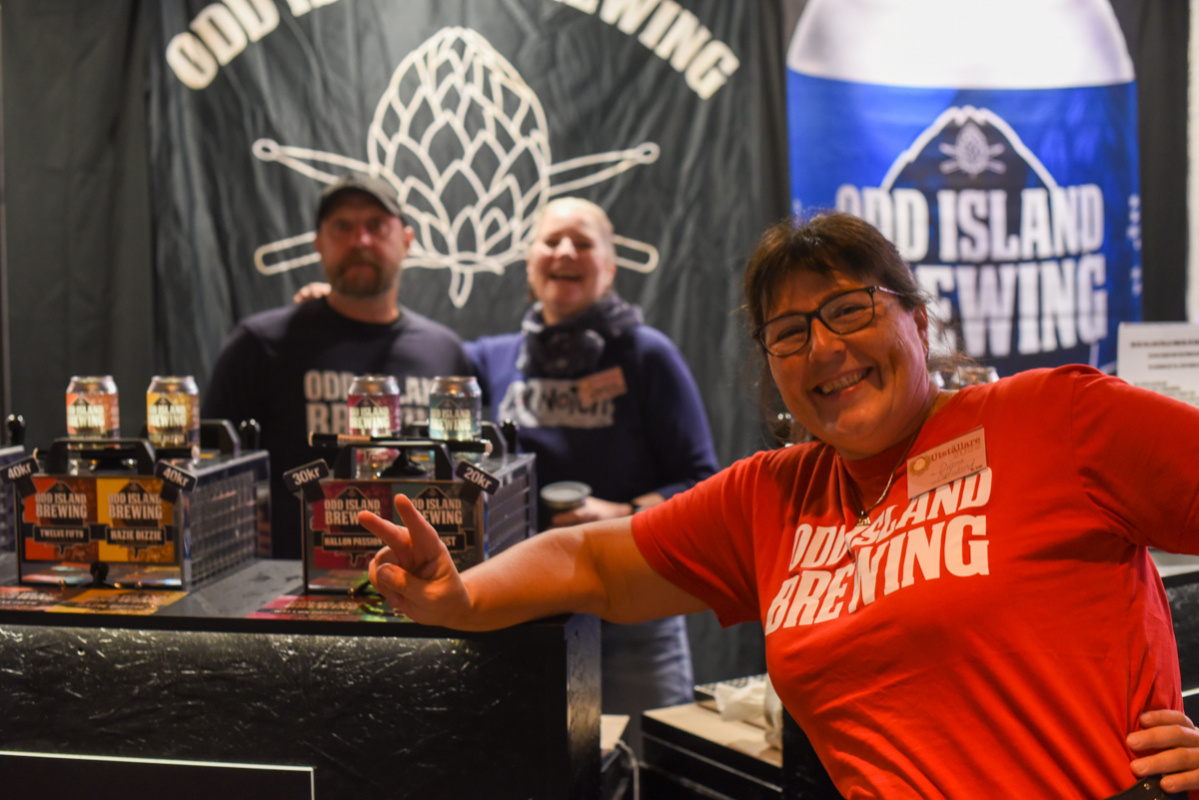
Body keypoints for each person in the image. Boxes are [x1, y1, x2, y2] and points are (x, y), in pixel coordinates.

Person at [361, 210, 1199, 798]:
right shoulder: (772, 495)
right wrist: (459, 597)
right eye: (788, 333)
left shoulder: (1051, 417)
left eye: (849, 310)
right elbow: (593, 563)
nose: (823, 348)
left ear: (916, 321)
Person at [465, 197, 720, 750]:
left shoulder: (646, 354)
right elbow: (402, 355)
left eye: (583, 243)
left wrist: (621, 514)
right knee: (537, 771)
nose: (565, 252)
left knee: (644, 765)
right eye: (551, 240)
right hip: (528, 615)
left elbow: (702, 484)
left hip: (635, 616)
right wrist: (328, 308)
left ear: (609, 266)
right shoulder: (490, 360)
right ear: (530, 263)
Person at [203, 172, 471, 559]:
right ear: (319, 244)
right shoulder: (260, 344)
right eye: (342, 226)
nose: (360, 241)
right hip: (294, 582)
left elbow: (469, 474)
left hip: (424, 577)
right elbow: (211, 470)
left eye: (376, 225)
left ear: (407, 241)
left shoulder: (445, 353)